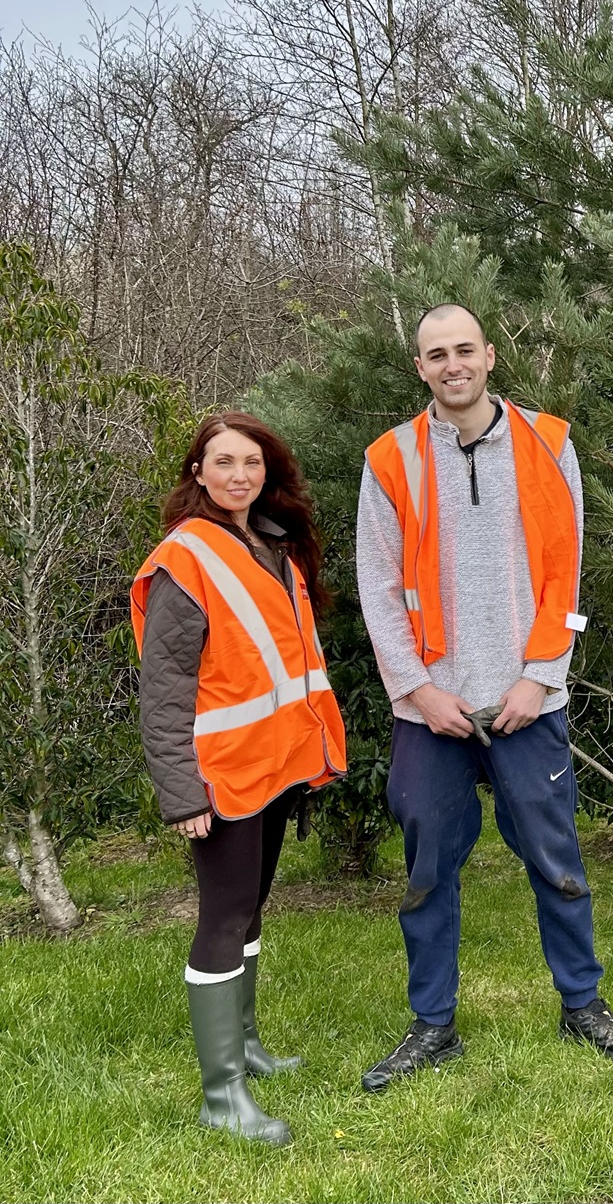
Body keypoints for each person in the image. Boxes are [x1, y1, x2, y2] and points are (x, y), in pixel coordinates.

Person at [355, 303, 613, 1093]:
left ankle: (582, 1004)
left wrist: (539, 676)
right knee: (425, 874)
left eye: (464, 349)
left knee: (558, 861)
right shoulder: (388, 460)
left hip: (530, 703)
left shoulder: (550, 444)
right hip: (433, 712)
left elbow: (569, 580)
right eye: (435, 354)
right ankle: (433, 1025)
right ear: (419, 367)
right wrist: (420, 690)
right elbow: (378, 592)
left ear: (489, 355)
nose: (452, 364)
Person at [132, 413, 347, 1147]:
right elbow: (162, 689)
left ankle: (247, 1046)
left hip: (273, 766)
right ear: (197, 471)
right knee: (223, 917)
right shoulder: (185, 557)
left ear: (267, 469)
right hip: (221, 777)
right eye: (222, 461)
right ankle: (222, 1094)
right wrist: (181, 791)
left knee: (251, 909)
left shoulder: (270, 544)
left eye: (250, 461)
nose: (238, 475)